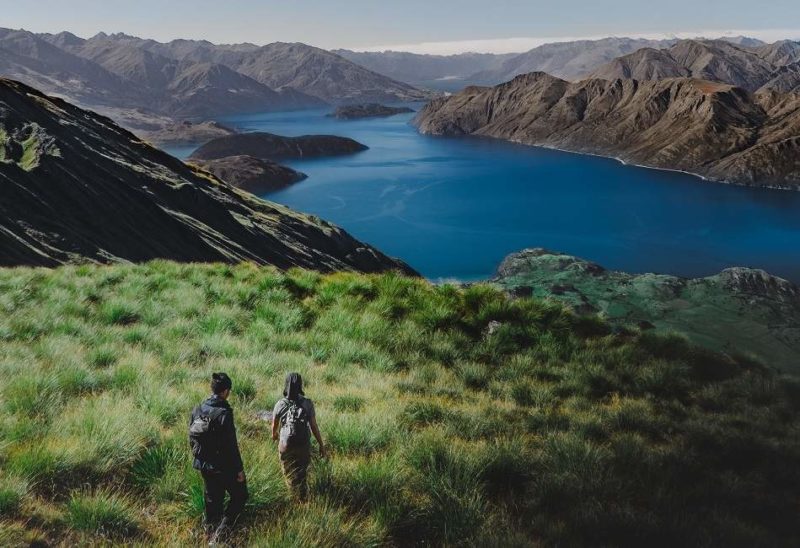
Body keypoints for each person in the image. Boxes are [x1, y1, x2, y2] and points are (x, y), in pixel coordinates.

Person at [189, 372, 248, 544]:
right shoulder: (224, 413)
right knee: (240, 495)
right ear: (225, 391)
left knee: (212, 500)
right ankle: (220, 535)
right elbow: (231, 446)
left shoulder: (198, 409)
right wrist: (239, 470)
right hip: (223, 466)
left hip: (204, 465)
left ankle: (209, 535)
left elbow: (191, 438)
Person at [271, 372, 326, 501]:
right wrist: (321, 445)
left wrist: (274, 435)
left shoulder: (280, 404)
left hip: (286, 445)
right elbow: (313, 426)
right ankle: (303, 498)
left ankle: (292, 498)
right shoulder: (307, 403)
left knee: (289, 473)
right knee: (302, 472)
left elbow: (274, 424)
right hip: (303, 444)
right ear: (300, 385)